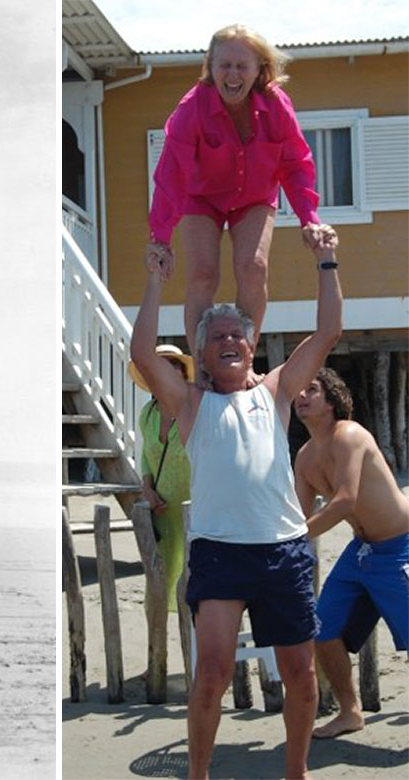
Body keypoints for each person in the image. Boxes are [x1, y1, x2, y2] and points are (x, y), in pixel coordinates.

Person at [131, 224, 342, 779]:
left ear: (252, 345)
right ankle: (198, 775)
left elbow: (327, 331)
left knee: (300, 673)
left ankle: (294, 772)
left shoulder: (275, 392)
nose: (227, 340)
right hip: (221, 554)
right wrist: (155, 281)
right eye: (216, 335)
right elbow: (141, 353)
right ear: (200, 350)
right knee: (212, 674)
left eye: (237, 335)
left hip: (283, 552)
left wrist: (326, 262)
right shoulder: (189, 403)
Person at [146, 23, 322, 354]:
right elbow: (171, 174)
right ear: (211, 68)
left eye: (242, 66)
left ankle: (243, 360)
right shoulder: (192, 108)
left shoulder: (276, 105)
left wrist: (308, 218)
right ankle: (202, 363)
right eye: (225, 65)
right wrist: (160, 238)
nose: (233, 75)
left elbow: (296, 163)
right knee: (202, 274)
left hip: (254, 197)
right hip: (203, 197)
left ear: (259, 70)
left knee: (252, 267)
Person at [293, 367, 409, 739]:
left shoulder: (350, 435)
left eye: (311, 390)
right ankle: (350, 712)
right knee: (323, 631)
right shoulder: (305, 457)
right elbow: (298, 515)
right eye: (298, 390)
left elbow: (344, 501)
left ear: (331, 401)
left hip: (400, 546)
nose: (301, 396)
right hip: (361, 553)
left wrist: (291, 539)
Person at [129, 345, 193, 613]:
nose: (167, 370)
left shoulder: (195, 409)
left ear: (182, 372)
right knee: (160, 582)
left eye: (173, 365)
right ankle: (159, 651)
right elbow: (146, 455)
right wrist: (147, 488)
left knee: (194, 582)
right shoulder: (148, 414)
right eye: (160, 365)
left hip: (195, 509)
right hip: (162, 510)